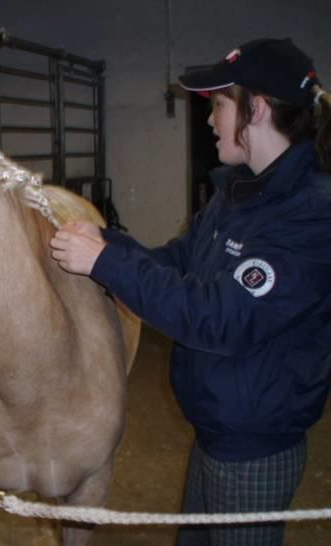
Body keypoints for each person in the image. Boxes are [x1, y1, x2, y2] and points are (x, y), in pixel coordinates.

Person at [50, 38, 331, 546]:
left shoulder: (307, 215)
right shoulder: (238, 194)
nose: (209, 119)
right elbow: (179, 263)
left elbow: (220, 317)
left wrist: (107, 262)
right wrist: (106, 243)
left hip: (254, 446)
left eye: (219, 105)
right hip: (217, 433)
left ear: (258, 108)